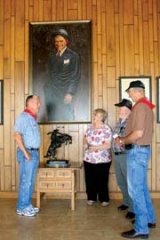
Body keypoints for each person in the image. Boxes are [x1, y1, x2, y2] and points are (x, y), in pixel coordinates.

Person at [115, 80, 156, 239]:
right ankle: (149, 220)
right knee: (142, 188)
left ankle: (141, 228)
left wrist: (122, 141)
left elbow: (138, 133)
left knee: (136, 190)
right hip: (143, 150)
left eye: (130, 92)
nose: (129, 95)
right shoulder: (147, 106)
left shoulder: (139, 106)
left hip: (137, 152)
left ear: (137, 91)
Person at [44, 28, 81, 121]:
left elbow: (75, 76)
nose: (58, 43)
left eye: (61, 41)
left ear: (66, 41)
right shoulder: (51, 56)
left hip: (64, 92)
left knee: (66, 117)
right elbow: (49, 73)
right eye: (56, 41)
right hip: (52, 92)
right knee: (52, 118)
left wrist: (70, 93)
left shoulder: (73, 56)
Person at [14, 95, 41, 217]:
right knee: (26, 181)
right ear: (29, 104)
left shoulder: (32, 118)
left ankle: (27, 205)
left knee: (30, 181)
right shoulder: (24, 117)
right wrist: (26, 153)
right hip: (28, 153)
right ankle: (22, 207)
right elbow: (17, 136)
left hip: (33, 152)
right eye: (37, 103)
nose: (39, 105)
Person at [83, 108, 112, 206]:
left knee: (102, 179)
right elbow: (85, 138)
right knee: (90, 179)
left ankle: (104, 199)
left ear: (101, 117)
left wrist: (94, 148)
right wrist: (85, 144)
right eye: (94, 114)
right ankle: (91, 198)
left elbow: (108, 145)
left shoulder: (106, 128)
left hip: (102, 159)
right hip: (88, 158)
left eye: (95, 114)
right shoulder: (89, 127)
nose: (93, 116)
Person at [113, 99, 135, 220]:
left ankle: (132, 209)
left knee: (130, 183)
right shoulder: (119, 121)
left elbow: (132, 139)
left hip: (126, 155)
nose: (118, 110)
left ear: (127, 109)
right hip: (117, 155)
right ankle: (126, 203)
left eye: (120, 108)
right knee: (121, 182)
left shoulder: (131, 122)